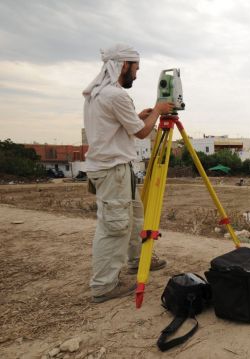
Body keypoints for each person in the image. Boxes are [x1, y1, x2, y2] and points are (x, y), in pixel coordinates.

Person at [83, 44, 175, 303]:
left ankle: (137, 260)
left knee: (135, 216)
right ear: (123, 65)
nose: (136, 75)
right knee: (113, 227)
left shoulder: (97, 94)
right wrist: (157, 111)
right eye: (135, 69)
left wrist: (137, 116)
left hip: (116, 169)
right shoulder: (115, 95)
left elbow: (114, 126)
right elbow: (142, 133)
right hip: (113, 171)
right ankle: (103, 286)